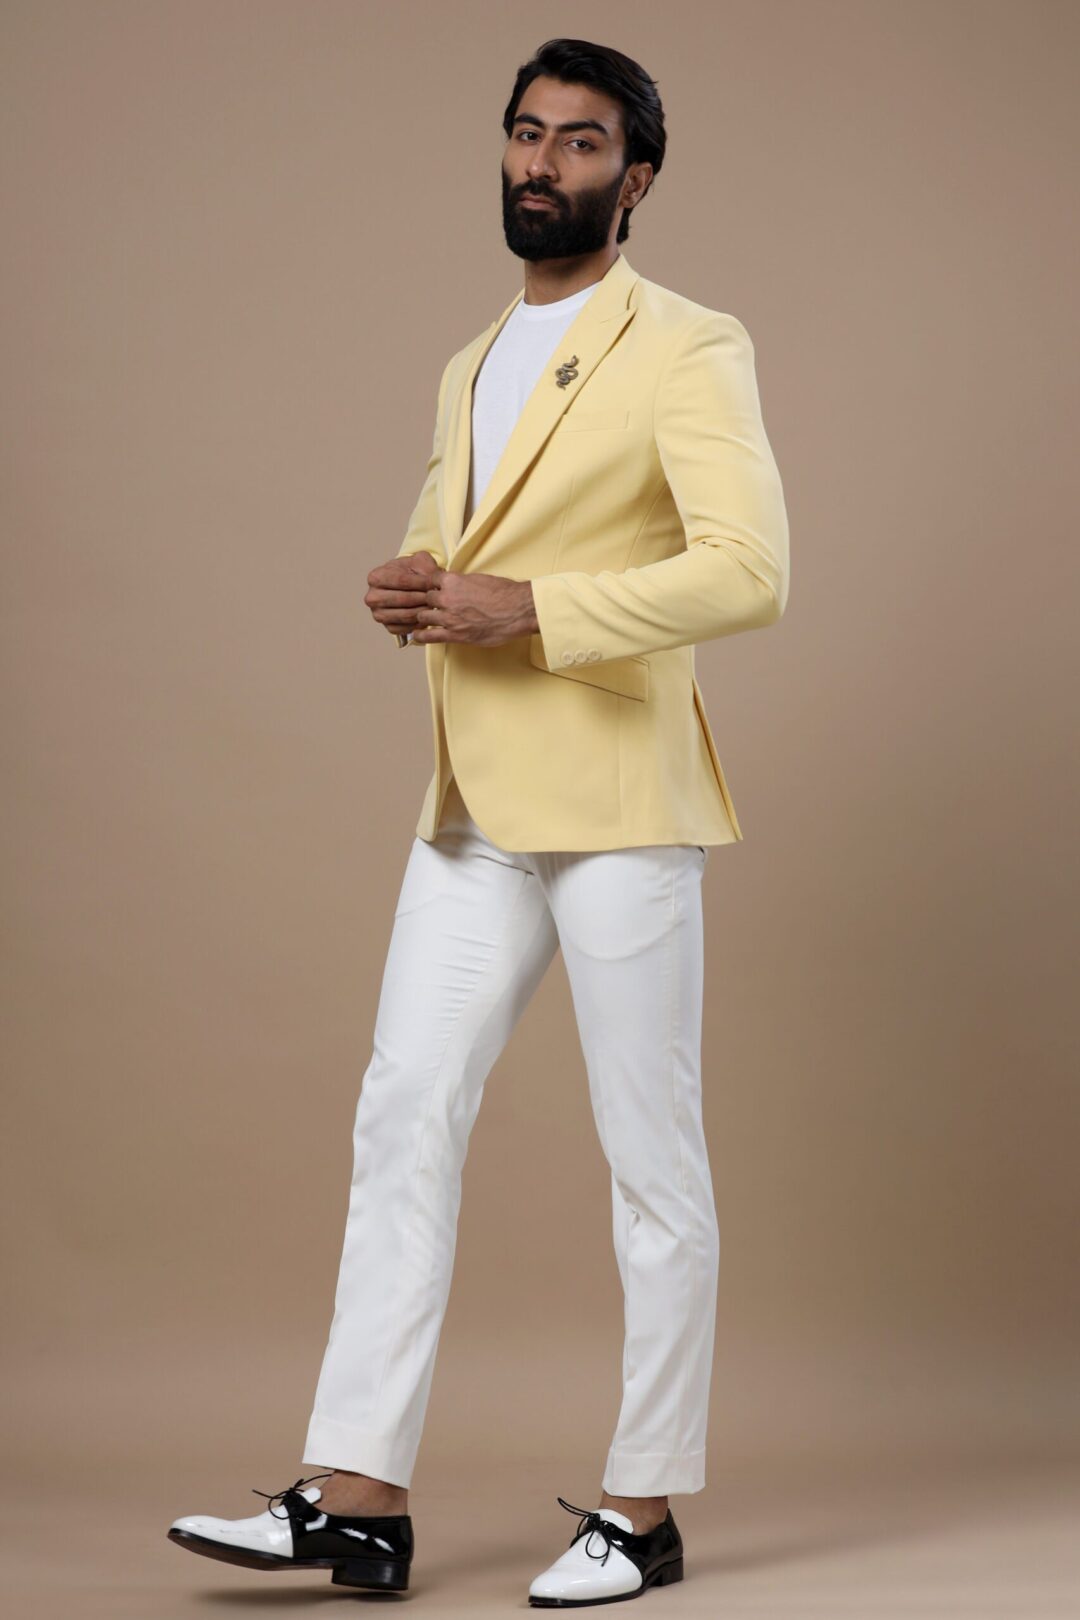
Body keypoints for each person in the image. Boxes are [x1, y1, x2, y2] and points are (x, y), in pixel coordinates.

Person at [168, 34, 789, 1608]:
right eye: (525, 132)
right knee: (404, 1115)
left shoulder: (689, 342)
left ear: (636, 180)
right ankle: (359, 1498)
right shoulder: (469, 361)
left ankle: (642, 1511)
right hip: (471, 805)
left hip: (619, 800)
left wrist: (533, 609)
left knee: (650, 1160)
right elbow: (465, 544)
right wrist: (413, 581)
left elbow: (749, 571)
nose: (540, 162)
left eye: (580, 142)